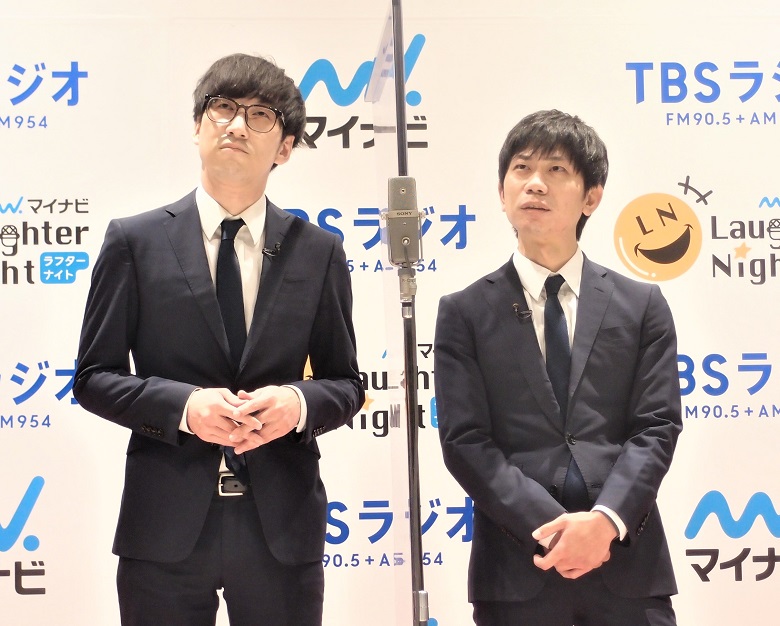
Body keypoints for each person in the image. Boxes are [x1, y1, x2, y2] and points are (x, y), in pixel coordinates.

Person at [74, 53, 364, 626]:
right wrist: (184, 408)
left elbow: (346, 384)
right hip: (164, 528)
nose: (236, 125)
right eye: (223, 108)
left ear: (285, 147)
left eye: (260, 115)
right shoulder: (135, 241)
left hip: (281, 529)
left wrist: (297, 403)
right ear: (197, 126)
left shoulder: (319, 251)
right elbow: (93, 378)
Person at [434, 110, 682, 625]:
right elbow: (466, 441)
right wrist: (557, 530)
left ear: (591, 197)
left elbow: (656, 427)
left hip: (626, 566)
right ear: (502, 192)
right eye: (521, 169)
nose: (535, 184)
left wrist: (603, 523)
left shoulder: (641, 306)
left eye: (556, 170)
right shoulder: (465, 312)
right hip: (518, 568)